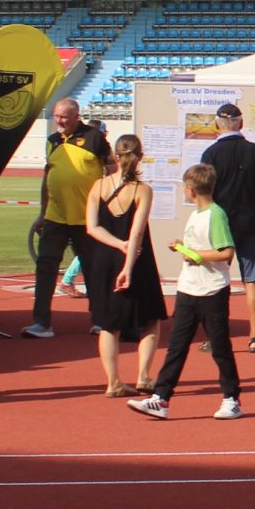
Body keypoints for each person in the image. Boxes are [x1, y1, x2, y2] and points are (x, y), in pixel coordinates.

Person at [127, 161, 243, 421]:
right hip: (188, 288)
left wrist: (196, 256)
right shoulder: (195, 215)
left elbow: (226, 252)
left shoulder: (216, 214)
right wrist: (182, 247)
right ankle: (161, 398)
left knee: (220, 348)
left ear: (191, 189)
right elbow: (197, 246)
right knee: (176, 347)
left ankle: (232, 399)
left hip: (212, 290)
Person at [87, 132, 166, 396]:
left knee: (109, 324)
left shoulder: (98, 186)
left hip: (104, 258)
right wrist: (128, 265)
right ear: (140, 157)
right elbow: (136, 232)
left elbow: (92, 227)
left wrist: (115, 244)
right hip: (137, 258)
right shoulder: (142, 190)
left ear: (115, 156)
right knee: (151, 318)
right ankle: (143, 375)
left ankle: (113, 381)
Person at [198, 104, 255, 350]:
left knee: (215, 281)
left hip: (220, 223)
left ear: (217, 125)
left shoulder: (210, 153)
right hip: (249, 222)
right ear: (241, 124)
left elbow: (204, 194)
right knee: (252, 280)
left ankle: (215, 337)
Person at [30, 99, 104, 340]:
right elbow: (47, 176)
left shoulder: (94, 138)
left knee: (94, 269)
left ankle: (100, 320)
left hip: (87, 219)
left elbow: (112, 172)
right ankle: (41, 323)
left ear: (76, 116)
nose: (59, 121)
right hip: (55, 217)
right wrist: (42, 212)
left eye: (64, 117)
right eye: (56, 116)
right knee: (45, 266)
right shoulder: (52, 142)